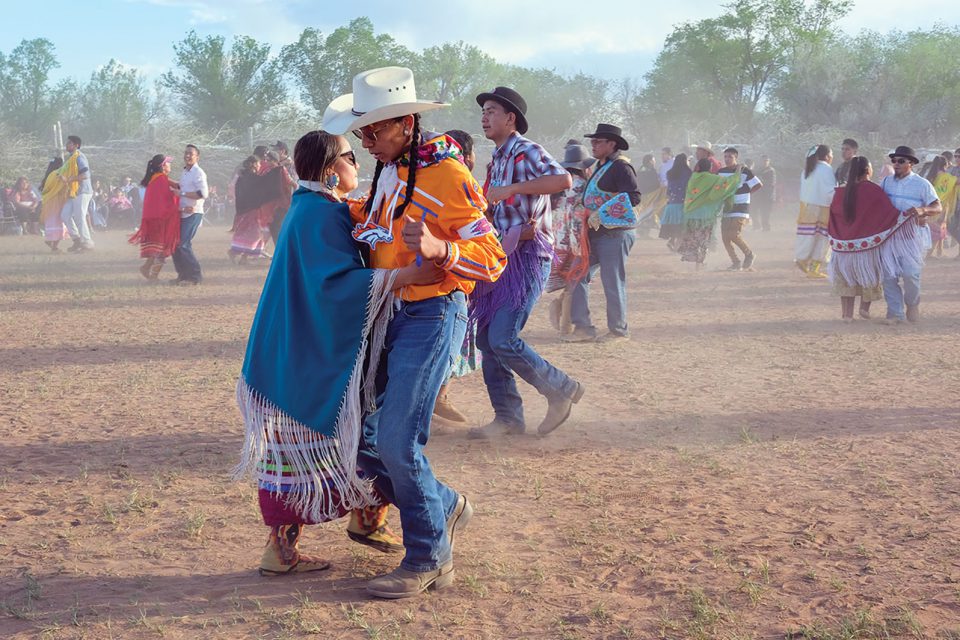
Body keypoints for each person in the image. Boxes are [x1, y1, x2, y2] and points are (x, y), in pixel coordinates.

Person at [322, 66, 506, 598]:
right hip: (392, 315)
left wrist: (441, 250)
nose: (366, 142)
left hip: (431, 313)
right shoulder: (390, 170)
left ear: (405, 123)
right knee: (358, 438)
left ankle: (428, 556)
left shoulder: (447, 175)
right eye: (361, 133)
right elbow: (379, 225)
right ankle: (443, 505)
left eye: (374, 131)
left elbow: (491, 256)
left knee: (398, 441)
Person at [235, 130, 447, 576]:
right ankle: (288, 549)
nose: (359, 162)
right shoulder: (322, 215)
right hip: (307, 357)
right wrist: (407, 273)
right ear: (333, 167)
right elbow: (337, 286)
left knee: (340, 444)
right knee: (340, 444)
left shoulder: (308, 207)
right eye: (352, 156)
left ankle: (363, 522)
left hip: (292, 350)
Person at [467, 85, 581, 441]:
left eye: (491, 111)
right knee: (487, 338)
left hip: (528, 256)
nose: (484, 118)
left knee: (501, 337)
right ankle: (508, 418)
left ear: (510, 118)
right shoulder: (499, 158)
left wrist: (512, 191)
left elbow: (563, 180)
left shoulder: (526, 150)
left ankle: (560, 388)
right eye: (483, 112)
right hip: (502, 255)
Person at [565, 123, 640, 343]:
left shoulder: (620, 167)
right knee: (577, 274)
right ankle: (583, 327)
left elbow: (634, 197)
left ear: (611, 144)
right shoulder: (601, 166)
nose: (593, 145)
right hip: (595, 234)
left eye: (598, 142)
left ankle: (618, 330)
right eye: (593, 141)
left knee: (612, 280)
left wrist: (600, 212)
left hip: (615, 233)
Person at [431, 128, 480, 429]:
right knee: (450, 344)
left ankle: (441, 394)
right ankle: (437, 396)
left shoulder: (431, 181)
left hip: (454, 277)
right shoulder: (461, 184)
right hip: (452, 281)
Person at [826, 156, 905, 321]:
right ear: (868, 170)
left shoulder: (841, 191)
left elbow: (833, 215)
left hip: (843, 247)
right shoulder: (873, 190)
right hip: (867, 246)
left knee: (846, 278)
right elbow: (888, 214)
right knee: (868, 275)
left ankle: (846, 314)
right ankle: (864, 309)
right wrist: (908, 215)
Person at [878, 146, 942, 323]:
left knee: (910, 275)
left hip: (914, 238)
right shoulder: (885, 182)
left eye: (901, 161)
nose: (896, 164)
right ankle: (895, 313)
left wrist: (923, 210)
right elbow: (875, 204)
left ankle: (912, 305)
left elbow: (938, 207)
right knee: (888, 276)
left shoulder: (922, 184)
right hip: (890, 237)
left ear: (911, 164)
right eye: (894, 161)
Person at [547, 143, 595, 335]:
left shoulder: (559, 185)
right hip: (576, 241)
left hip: (558, 242)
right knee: (575, 281)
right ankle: (565, 325)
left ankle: (561, 316)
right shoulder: (583, 186)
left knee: (571, 281)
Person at [677, 159, 741, 268]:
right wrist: (737, 173)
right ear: (710, 167)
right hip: (705, 216)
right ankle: (700, 263)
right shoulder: (712, 178)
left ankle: (694, 260)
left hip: (691, 214)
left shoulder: (693, 178)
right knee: (703, 239)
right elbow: (726, 183)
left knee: (693, 237)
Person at [129, 155, 181, 280]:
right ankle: (153, 275)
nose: (170, 164)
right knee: (161, 248)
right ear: (163, 166)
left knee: (158, 247)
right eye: (168, 162)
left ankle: (147, 269)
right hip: (159, 219)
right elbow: (167, 200)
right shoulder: (160, 180)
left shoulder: (157, 178)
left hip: (153, 218)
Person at [717, 147, 762, 271]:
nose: (727, 159)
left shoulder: (745, 171)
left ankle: (749, 254)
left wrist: (745, 194)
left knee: (733, 234)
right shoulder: (721, 172)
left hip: (741, 207)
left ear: (736, 158)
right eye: (725, 156)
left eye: (730, 157)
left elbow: (758, 185)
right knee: (725, 237)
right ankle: (735, 262)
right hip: (727, 207)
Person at [796, 145, 835, 278]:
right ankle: (814, 268)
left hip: (806, 207)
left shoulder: (807, 169)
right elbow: (830, 192)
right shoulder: (826, 169)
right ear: (827, 156)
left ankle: (802, 258)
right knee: (822, 238)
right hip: (823, 208)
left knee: (807, 235)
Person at [171, 144, 208, 285]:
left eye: (190, 154)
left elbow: (202, 194)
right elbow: (182, 186)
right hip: (182, 213)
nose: (187, 156)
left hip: (193, 212)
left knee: (183, 244)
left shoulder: (198, 173)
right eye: (186, 153)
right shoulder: (185, 172)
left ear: (197, 157)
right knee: (175, 244)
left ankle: (195, 276)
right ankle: (183, 275)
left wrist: (182, 193)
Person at [59, 135, 95, 252]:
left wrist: (68, 180)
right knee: (65, 215)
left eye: (69, 143)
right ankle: (77, 240)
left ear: (76, 145)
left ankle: (87, 243)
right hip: (74, 192)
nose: (67, 145)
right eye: (67, 143)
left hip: (83, 191)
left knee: (79, 216)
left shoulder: (79, 157)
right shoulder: (71, 158)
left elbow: (85, 175)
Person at [922, 156, 955, 258]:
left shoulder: (929, 175)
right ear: (945, 165)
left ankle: (933, 252)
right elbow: (956, 182)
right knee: (937, 231)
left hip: (928, 206)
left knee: (931, 229)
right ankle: (928, 255)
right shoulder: (946, 177)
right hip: (940, 206)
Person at [658, 153, 691, 248]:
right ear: (685, 161)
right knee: (682, 228)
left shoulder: (670, 173)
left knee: (675, 226)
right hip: (683, 203)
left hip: (671, 204)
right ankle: (676, 247)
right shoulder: (688, 173)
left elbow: (668, 190)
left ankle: (672, 241)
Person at [39, 158, 68, 251]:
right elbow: (64, 186)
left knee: (52, 223)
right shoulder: (58, 174)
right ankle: (54, 245)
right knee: (60, 223)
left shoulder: (48, 176)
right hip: (57, 202)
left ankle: (53, 244)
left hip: (48, 203)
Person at [753, 155, 777, 231]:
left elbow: (772, 183)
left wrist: (761, 180)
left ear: (769, 161)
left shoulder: (771, 171)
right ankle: (756, 226)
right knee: (753, 210)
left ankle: (766, 228)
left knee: (765, 213)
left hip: (767, 196)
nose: (764, 162)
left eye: (766, 161)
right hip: (758, 195)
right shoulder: (757, 170)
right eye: (763, 161)